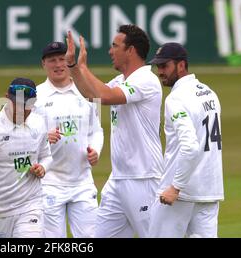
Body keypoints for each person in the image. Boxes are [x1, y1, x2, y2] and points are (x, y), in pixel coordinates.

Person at [65, 25, 163, 237]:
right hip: (117, 180)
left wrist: (83, 68)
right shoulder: (120, 81)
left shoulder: (146, 80)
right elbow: (92, 95)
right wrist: (73, 66)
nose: (110, 51)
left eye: (115, 46)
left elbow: (106, 97)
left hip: (144, 178)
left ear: (131, 50)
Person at [147, 43, 224, 238]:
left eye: (165, 66)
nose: (160, 72)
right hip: (208, 190)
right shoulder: (209, 93)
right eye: (158, 66)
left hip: (180, 193)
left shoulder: (176, 99)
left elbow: (190, 147)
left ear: (181, 65)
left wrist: (175, 187)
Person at [0, 78, 52, 238]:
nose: (21, 110)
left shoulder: (39, 123)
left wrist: (42, 168)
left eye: (25, 106)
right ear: (7, 98)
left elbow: (47, 156)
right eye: (17, 104)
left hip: (30, 204)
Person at [34, 42, 103, 238]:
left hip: (82, 182)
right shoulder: (34, 96)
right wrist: (43, 137)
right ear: (43, 64)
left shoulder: (88, 93)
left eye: (62, 59)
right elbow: (19, 136)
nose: (58, 64)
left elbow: (97, 131)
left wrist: (96, 150)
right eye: (52, 60)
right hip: (48, 182)